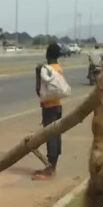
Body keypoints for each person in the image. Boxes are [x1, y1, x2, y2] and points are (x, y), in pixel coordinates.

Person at [33, 42, 64, 180]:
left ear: (47, 54)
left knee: (50, 136)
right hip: (57, 106)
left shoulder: (45, 70)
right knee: (56, 135)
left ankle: (50, 169)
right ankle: (52, 166)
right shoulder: (58, 68)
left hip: (49, 108)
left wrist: (37, 74)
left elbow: (39, 91)